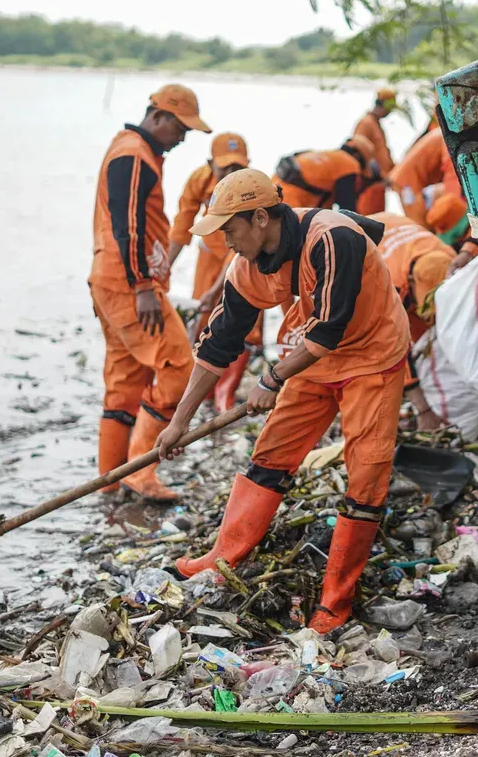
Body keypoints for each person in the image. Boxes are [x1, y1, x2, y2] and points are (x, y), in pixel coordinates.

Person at [155, 168, 410, 634]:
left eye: (229, 230)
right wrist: (178, 423)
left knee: (367, 475)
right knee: (271, 453)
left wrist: (271, 379)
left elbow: (331, 326)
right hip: (314, 360)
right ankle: (222, 556)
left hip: (373, 354)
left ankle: (336, 601)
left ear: (258, 218)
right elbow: (218, 345)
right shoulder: (246, 266)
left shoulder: (333, 237)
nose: (226, 243)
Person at [89, 84, 211, 501]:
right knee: (179, 366)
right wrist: (142, 286)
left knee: (126, 379)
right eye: (181, 128)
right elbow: (128, 224)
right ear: (159, 117)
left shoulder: (131, 149)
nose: (183, 138)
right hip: (128, 285)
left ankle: (110, 479)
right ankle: (139, 473)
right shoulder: (134, 155)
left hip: (111, 281)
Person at [168, 132, 261, 411]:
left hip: (245, 256)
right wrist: (163, 270)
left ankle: (225, 392)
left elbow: (244, 248)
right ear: (210, 163)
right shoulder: (199, 180)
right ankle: (204, 389)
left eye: (238, 167)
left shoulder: (253, 187)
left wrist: (219, 287)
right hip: (209, 256)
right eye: (225, 167)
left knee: (248, 326)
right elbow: (182, 224)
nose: (231, 173)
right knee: (205, 317)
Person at [370, 212, 456, 431]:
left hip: (399, 236)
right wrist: (423, 409)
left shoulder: (448, 257)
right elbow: (395, 347)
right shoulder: (386, 286)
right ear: (411, 281)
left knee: (433, 344)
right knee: (400, 347)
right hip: (367, 243)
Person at [274, 135, 379, 212]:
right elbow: (347, 206)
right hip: (291, 202)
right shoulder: (349, 164)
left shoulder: (327, 157)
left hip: (273, 190)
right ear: (358, 157)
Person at [388, 128, 464, 229]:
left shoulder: (443, 136)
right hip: (406, 182)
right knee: (420, 224)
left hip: (404, 180)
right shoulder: (447, 140)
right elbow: (453, 187)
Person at [353, 88, 397, 216]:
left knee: (378, 221)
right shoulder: (365, 123)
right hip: (369, 185)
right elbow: (358, 151)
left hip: (379, 185)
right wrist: (378, 174)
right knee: (368, 222)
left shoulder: (376, 124)